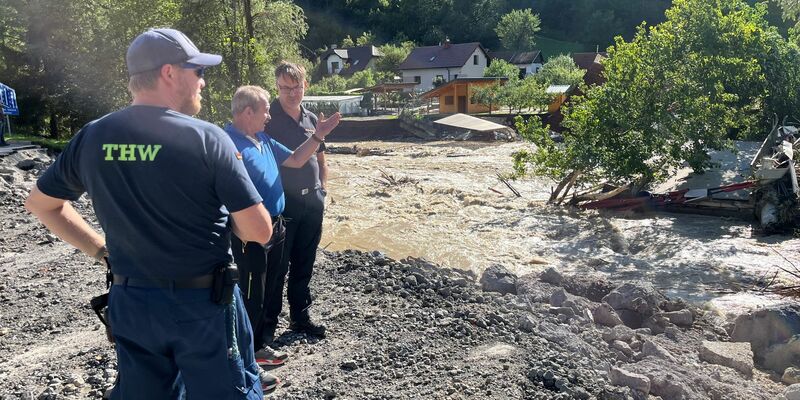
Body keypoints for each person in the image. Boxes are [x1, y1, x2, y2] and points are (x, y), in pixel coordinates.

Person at [25, 28, 273, 400]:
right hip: (203, 303)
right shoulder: (208, 138)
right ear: (169, 72)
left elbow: (42, 204)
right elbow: (259, 232)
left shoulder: (93, 136)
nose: (203, 83)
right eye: (198, 72)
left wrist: (100, 250)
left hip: (133, 302)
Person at [224, 86, 340, 368]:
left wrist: (318, 135)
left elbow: (298, 159)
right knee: (252, 293)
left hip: (277, 225)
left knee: (271, 285)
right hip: (248, 233)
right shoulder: (227, 142)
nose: (268, 116)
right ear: (248, 112)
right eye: (265, 110)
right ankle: (247, 356)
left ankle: (261, 343)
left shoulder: (263, 139)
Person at [262, 61, 330, 343]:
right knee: (276, 267)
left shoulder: (313, 119)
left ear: (305, 86)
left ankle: (300, 317)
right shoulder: (267, 120)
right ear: (276, 88)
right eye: (285, 88)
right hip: (282, 204)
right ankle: (266, 329)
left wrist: (323, 190)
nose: (292, 93)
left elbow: (321, 159)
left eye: (297, 87)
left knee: (305, 262)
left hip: (312, 202)